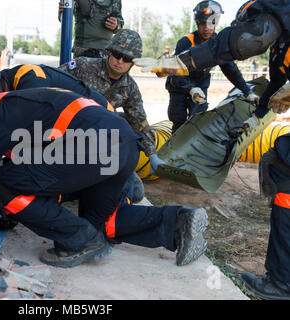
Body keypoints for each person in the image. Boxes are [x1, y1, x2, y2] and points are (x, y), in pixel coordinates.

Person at [0, 78, 209, 268]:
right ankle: (178, 223)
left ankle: (78, 240)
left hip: (95, 147)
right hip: (124, 145)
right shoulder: (18, 103)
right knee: (98, 223)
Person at [134, 0, 290, 300]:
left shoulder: (274, 13)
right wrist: (256, 114)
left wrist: (185, 63)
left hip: (198, 92)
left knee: (282, 171)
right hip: (184, 97)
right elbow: (273, 86)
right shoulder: (282, 48)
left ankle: (282, 282)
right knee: (276, 163)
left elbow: (236, 47)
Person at [0, 60, 144, 208]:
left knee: (123, 193)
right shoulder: (15, 83)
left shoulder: (29, 82)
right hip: (84, 125)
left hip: (101, 125)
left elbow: (29, 140)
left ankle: (124, 187)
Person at [59, 29, 165, 174]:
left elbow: (139, 122)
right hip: (66, 131)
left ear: (133, 62)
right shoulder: (83, 65)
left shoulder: (130, 88)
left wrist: (152, 156)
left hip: (98, 141)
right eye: (117, 55)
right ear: (109, 51)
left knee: (135, 190)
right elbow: (52, 81)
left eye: (126, 58)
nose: (120, 61)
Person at [165, 1, 257, 134]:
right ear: (197, 23)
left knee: (197, 121)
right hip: (179, 85)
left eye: (211, 23)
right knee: (178, 120)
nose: (207, 28)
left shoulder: (218, 43)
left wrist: (248, 91)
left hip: (201, 85)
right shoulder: (186, 42)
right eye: (203, 24)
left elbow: (230, 69)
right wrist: (191, 88)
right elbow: (176, 72)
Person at [58, 0, 124, 58]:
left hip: (105, 51)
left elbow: (120, 23)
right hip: (82, 50)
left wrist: (116, 25)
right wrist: (63, 14)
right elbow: (65, 19)